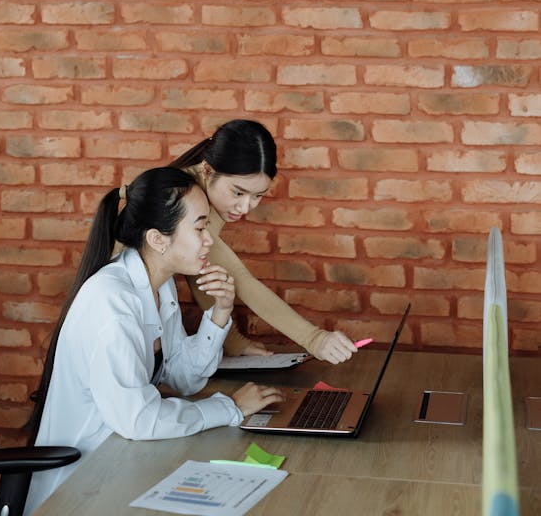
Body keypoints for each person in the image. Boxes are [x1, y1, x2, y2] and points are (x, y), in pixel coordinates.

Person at [23, 166, 284, 516]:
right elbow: (139, 419)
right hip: (81, 485)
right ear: (158, 239)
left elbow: (183, 379)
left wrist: (221, 312)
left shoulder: (160, 285)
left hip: (126, 457)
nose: (209, 240)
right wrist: (229, 408)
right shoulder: (113, 301)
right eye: (200, 227)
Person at [172, 119, 357, 364]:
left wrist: (234, 342)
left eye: (258, 195)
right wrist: (314, 339)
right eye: (238, 192)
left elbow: (205, 276)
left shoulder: (205, 192)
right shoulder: (185, 198)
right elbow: (239, 278)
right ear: (207, 170)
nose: (245, 207)